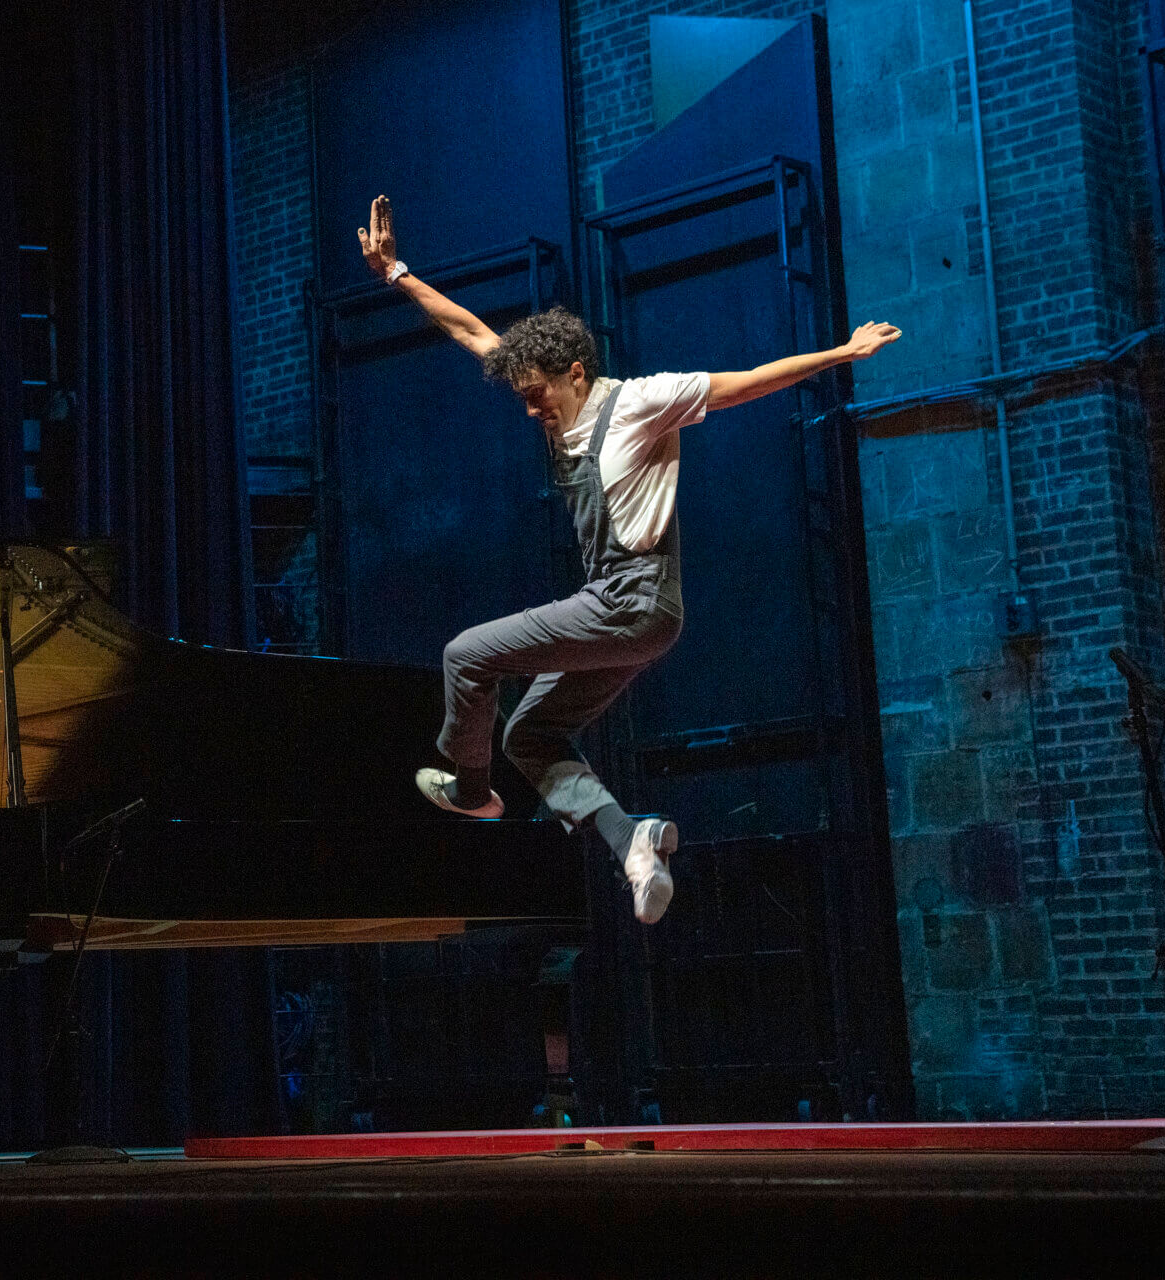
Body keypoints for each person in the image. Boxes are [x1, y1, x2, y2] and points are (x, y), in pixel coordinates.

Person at [357, 194, 899, 924]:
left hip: (632, 601)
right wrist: (397, 274)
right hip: (633, 618)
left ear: (575, 372)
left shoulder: (642, 403)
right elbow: (472, 332)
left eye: (538, 396)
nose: (530, 412)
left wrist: (842, 352)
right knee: (531, 734)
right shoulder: (551, 402)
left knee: (465, 656)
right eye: (522, 400)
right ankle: (632, 842)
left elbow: (746, 381)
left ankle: (470, 792)